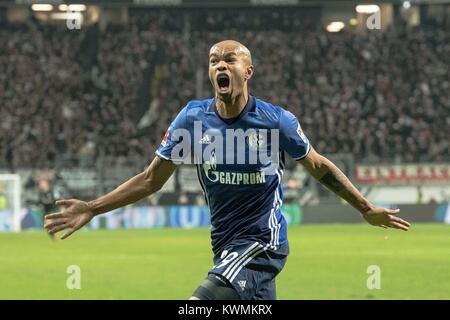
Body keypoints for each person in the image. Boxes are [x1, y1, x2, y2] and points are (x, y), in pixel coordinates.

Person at [44, 40, 411, 300]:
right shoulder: (192, 119)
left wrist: (365, 208)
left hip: (262, 244)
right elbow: (150, 179)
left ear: (247, 71)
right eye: (213, 60)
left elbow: (318, 166)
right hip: (224, 248)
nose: (220, 65)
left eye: (230, 60)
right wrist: (92, 208)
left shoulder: (275, 122)